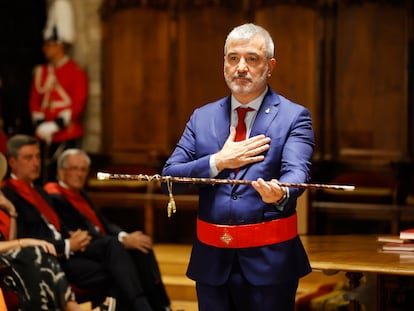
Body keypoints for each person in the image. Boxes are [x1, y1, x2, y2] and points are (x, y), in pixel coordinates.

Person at [162, 23, 315, 311]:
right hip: (211, 262)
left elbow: (297, 172)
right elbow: (168, 177)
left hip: (270, 261)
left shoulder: (294, 117)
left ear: (270, 66)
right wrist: (218, 161)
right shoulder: (202, 117)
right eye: (233, 58)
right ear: (224, 63)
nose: (241, 67)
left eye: (251, 59)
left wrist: (281, 193)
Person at [1, 134, 160, 311]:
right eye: (28, 158)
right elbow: (27, 238)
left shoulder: (40, 191)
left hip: (68, 249)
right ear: (13, 162)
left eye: (38, 156)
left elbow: (58, 225)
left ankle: (157, 306)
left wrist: (73, 235)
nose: (36, 163)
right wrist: (68, 244)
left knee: (127, 254)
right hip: (48, 259)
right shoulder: (8, 194)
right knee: (116, 255)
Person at [44, 148, 172, 311]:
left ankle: (162, 306)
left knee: (141, 245)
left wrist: (123, 235)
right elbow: (78, 235)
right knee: (121, 263)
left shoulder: (80, 193)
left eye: (83, 169)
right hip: (82, 253)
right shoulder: (54, 197)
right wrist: (122, 241)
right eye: (74, 169)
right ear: (61, 171)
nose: (80, 174)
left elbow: (104, 224)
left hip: (104, 248)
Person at [0, 153, 115, 311]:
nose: (35, 162)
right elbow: (12, 244)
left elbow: (8, 241)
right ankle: (74, 309)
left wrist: (11, 212)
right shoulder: (12, 191)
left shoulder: (8, 198)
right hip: (9, 257)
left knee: (39, 252)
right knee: (37, 253)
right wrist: (25, 242)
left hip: (7, 257)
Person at [29, 0, 88, 181]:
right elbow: (35, 100)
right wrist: (40, 123)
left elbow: (78, 102)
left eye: (49, 45)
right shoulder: (42, 72)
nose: (45, 50)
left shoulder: (75, 71)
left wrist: (56, 124)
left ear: (60, 45)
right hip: (44, 133)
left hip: (66, 132)